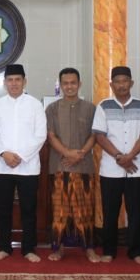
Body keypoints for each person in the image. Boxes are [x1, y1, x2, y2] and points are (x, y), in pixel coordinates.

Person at [91, 66, 140, 265]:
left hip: (136, 169)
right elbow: (100, 136)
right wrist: (120, 157)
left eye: (125, 81)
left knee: (135, 213)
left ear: (131, 83)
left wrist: (130, 157)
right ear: (111, 85)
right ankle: (109, 251)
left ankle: (135, 252)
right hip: (110, 169)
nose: (121, 85)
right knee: (110, 213)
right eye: (117, 81)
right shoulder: (103, 106)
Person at [0, 64, 48, 263]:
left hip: (28, 167)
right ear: (4, 83)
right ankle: (3, 247)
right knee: (3, 209)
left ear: (24, 81)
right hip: (2, 165)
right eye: (10, 80)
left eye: (17, 80)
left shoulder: (35, 105)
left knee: (29, 209)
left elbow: (40, 135)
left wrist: (20, 156)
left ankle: (29, 248)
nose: (14, 83)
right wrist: (4, 154)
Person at [45, 67, 98, 262]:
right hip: (59, 166)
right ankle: (58, 248)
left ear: (79, 84)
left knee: (86, 209)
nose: (69, 86)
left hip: (84, 167)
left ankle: (89, 248)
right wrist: (67, 153)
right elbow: (51, 136)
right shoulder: (52, 109)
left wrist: (80, 154)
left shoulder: (91, 108)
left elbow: (94, 135)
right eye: (65, 83)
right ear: (60, 85)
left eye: (73, 83)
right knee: (60, 211)